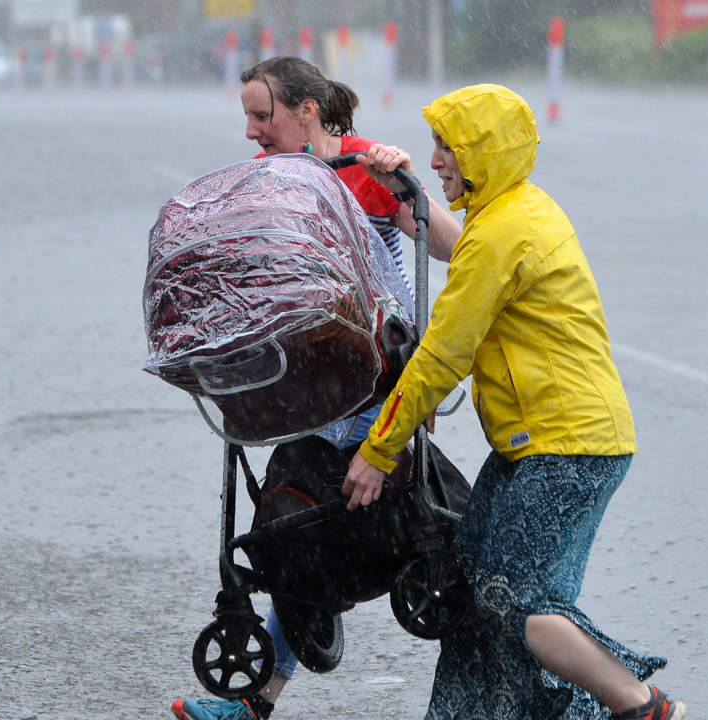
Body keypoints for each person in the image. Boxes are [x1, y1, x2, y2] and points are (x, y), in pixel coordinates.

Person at [343, 84, 687, 720]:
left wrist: (378, 448)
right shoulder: (513, 211)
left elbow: (443, 356)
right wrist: (406, 193)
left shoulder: (499, 234)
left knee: (518, 600)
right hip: (544, 443)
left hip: (566, 446)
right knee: (476, 588)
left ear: (483, 153)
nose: (438, 159)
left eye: (448, 148)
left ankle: (643, 707)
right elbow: (450, 243)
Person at [169, 56, 461, 720]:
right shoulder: (269, 184)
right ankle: (257, 697)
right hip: (308, 388)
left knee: (308, 528)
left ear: (306, 112)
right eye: (245, 116)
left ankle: (253, 703)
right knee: (305, 530)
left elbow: (450, 246)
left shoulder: (361, 170)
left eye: (261, 115)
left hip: (372, 391)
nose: (250, 131)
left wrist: (406, 182)